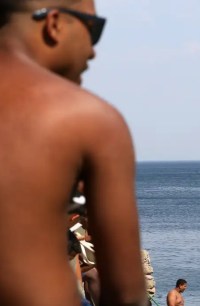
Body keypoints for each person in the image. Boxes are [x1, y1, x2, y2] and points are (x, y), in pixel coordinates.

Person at [0, 1, 148, 305]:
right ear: (54, 24)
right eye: (94, 30)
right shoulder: (88, 119)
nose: (93, 51)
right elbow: (127, 294)